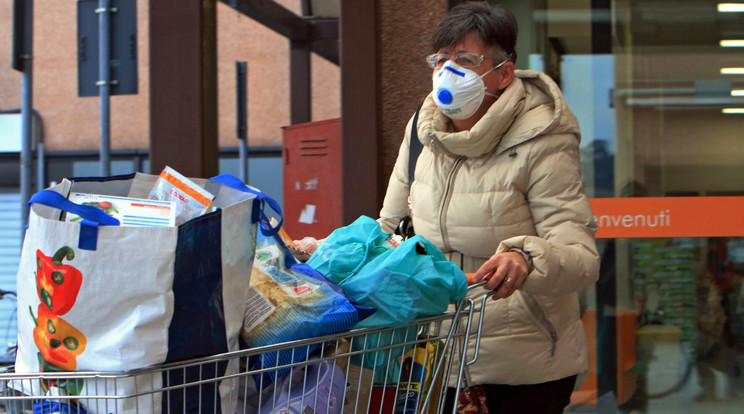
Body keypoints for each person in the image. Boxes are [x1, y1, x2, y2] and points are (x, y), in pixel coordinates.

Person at [375, 2, 600, 413]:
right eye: (441, 60)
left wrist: (525, 258)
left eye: (466, 60)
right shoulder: (422, 132)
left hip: (524, 366)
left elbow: (581, 256)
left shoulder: (542, 137)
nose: (448, 72)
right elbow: (388, 230)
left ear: (504, 73)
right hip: (434, 357)